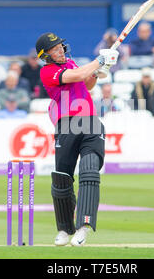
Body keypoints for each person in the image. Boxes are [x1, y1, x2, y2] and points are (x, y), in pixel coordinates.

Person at [36, 32, 119, 247]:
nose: (61, 50)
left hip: (90, 121)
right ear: (46, 56)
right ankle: (65, 229)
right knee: (62, 178)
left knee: (90, 170)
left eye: (61, 46)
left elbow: (86, 84)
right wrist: (97, 62)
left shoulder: (71, 63)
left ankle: (83, 227)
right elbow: (76, 76)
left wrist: (100, 70)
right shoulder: (48, 72)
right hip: (67, 124)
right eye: (55, 49)